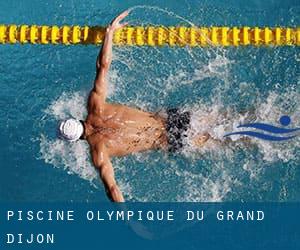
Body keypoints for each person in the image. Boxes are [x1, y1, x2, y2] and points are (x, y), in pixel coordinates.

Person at [58, 11, 210, 202]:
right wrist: (109, 33)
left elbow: (112, 189)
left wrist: (129, 221)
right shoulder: (95, 105)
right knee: (226, 118)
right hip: (172, 118)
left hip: (171, 140)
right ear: (76, 119)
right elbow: (103, 66)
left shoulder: (99, 152)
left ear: (76, 140)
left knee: (227, 141)